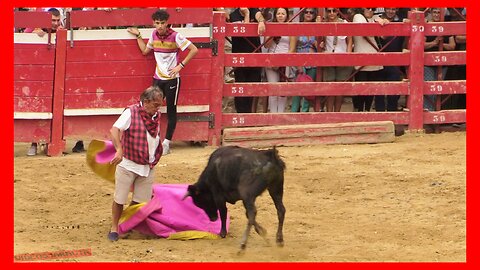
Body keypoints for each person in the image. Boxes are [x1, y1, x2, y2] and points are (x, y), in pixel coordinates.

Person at [127, 9, 198, 155]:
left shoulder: (175, 36)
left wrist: (181, 66)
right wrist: (139, 36)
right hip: (158, 78)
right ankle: (152, 140)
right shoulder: (153, 34)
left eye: (162, 23)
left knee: (171, 111)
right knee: (150, 108)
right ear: (154, 23)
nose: (160, 26)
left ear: (167, 23)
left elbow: (194, 49)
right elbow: (145, 51)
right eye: (157, 23)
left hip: (172, 79)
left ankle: (166, 143)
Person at [24, 8, 85, 156]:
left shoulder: (61, 30)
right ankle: (34, 142)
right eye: (53, 20)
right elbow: (23, 36)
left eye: (58, 20)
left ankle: (55, 142)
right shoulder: (35, 26)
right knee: (38, 106)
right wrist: (34, 34)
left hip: (60, 76)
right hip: (39, 75)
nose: (56, 23)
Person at [108, 86, 164, 242]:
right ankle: (114, 227)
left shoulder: (156, 115)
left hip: (148, 165)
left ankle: (124, 225)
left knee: (140, 201)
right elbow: (114, 130)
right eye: (155, 105)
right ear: (146, 102)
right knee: (119, 198)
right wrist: (119, 149)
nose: (158, 108)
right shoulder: (131, 112)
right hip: (128, 163)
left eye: (159, 105)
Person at [229, 8, 266, 113]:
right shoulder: (234, 15)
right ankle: (242, 116)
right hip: (239, 59)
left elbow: (259, 16)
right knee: (240, 88)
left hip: (254, 57)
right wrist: (247, 14)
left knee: (253, 88)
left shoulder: (254, 10)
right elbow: (244, 33)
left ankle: (251, 116)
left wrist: (261, 21)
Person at [319, 8, 353, 112]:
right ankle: (329, 113)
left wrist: (348, 55)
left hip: (342, 58)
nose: (332, 13)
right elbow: (320, 40)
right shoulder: (323, 24)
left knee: (340, 88)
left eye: (334, 11)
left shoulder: (345, 23)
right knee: (330, 88)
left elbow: (349, 40)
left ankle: (337, 113)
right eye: (329, 11)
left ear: (338, 12)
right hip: (329, 57)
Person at [263, 8, 296, 113]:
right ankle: (273, 115)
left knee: (283, 90)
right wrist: (273, 33)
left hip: (285, 62)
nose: (280, 16)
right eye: (278, 13)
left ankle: (280, 115)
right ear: (275, 15)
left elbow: (292, 49)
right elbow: (267, 45)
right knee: (273, 89)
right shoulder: (270, 27)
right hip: (271, 61)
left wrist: (282, 62)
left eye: (283, 13)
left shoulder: (291, 28)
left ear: (286, 15)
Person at [351, 8, 384, 112]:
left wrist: (384, 22)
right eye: (368, 7)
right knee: (361, 90)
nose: (370, 10)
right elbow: (366, 32)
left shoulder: (375, 18)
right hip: (361, 59)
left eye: (372, 8)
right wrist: (379, 24)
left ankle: (367, 111)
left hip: (374, 60)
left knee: (371, 89)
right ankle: (360, 111)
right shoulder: (358, 17)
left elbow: (383, 36)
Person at [423, 8, 455, 111]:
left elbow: (452, 46)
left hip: (443, 63)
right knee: (429, 87)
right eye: (435, 12)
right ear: (431, 13)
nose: (437, 15)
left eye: (439, 12)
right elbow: (421, 45)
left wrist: (441, 44)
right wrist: (435, 43)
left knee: (439, 88)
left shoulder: (447, 27)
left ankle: (435, 112)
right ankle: (429, 112)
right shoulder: (426, 26)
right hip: (428, 63)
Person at [375, 8, 406, 111]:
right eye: (389, 9)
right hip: (380, 61)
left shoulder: (401, 21)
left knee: (393, 92)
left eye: (393, 9)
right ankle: (380, 117)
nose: (391, 11)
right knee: (379, 90)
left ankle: (392, 116)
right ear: (385, 9)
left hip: (395, 62)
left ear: (397, 10)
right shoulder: (378, 20)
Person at [290, 8, 318, 112]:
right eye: (306, 12)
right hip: (300, 61)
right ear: (303, 14)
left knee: (308, 90)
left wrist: (318, 45)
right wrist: (297, 64)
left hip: (313, 61)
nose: (309, 14)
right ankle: (294, 113)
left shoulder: (317, 28)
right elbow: (293, 47)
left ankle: (304, 113)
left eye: (311, 12)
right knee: (298, 90)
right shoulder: (297, 27)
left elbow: (320, 46)